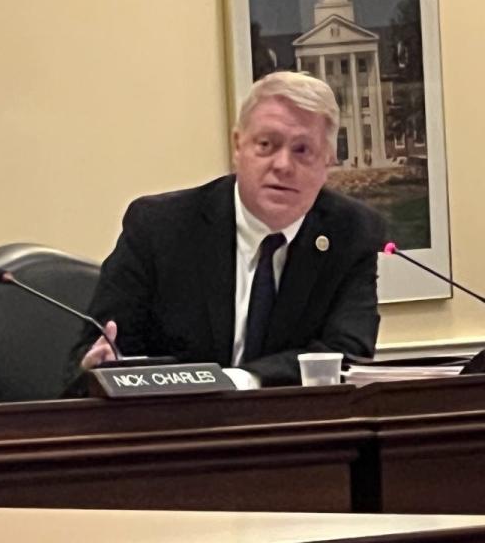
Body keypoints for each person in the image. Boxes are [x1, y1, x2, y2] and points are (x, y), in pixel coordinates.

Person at [71, 71, 385, 387]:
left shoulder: (352, 233)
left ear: (328, 161)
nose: (283, 165)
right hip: (174, 427)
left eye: (303, 150)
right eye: (266, 145)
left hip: (292, 428)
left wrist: (242, 380)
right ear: (238, 147)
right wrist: (97, 367)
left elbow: (347, 355)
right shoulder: (159, 228)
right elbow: (97, 351)